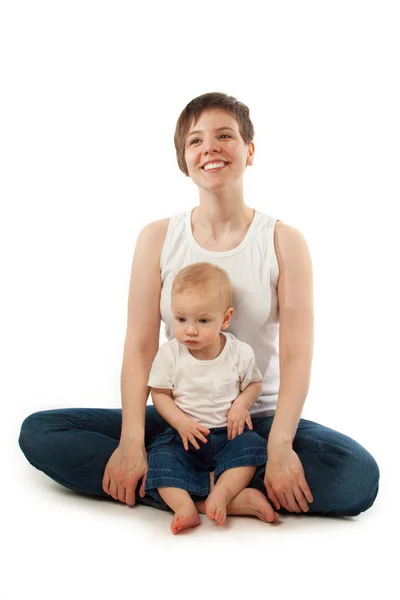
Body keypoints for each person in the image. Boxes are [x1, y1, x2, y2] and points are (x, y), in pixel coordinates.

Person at [19, 92, 379, 521]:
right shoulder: (157, 237)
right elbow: (139, 348)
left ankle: (179, 486)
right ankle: (221, 493)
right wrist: (132, 440)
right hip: (177, 419)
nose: (209, 147)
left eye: (224, 135)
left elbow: (298, 356)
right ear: (183, 159)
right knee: (41, 432)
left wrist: (281, 444)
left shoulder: (284, 242)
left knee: (356, 476)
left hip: (254, 421)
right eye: (195, 141)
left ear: (249, 149)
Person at [145, 261, 275, 534]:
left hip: (228, 433)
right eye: (181, 320)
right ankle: (185, 507)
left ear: (225, 319)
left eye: (203, 321)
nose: (190, 330)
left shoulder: (239, 353)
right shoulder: (170, 354)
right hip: (184, 435)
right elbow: (160, 394)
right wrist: (181, 423)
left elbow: (253, 384)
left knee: (251, 447)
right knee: (160, 456)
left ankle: (223, 493)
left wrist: (241, 404)